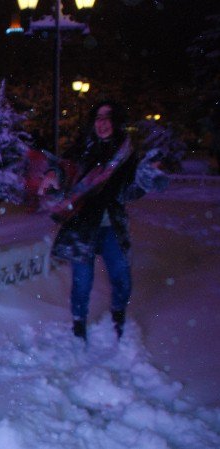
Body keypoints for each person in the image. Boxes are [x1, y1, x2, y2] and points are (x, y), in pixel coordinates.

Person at [38, 100, 167, 342]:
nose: (102, 123)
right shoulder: (82, 148)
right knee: (82, 281)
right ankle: (78, 324)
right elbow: (65, 167)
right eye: (98, 118)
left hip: (112, 228)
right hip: (82, 225)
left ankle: (118, 317)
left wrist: (144, 178)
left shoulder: (126, 155)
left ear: (116, 122)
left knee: (121, 277)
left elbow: (129, 191)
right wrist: (53, 173)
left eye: (108, 117)